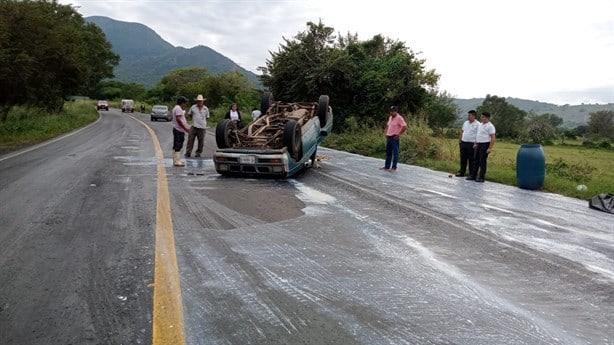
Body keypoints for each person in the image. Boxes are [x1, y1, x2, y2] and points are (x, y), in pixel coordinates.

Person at [467, 111, 496, 182]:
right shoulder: (480, 125)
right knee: (475, 160)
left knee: (482, 161)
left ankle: (481, 177)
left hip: (485, 144)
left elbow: (493, 137)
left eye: (483, 117)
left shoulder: (490, 126)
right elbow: (478, 134)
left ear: (487, 118)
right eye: (481, 117)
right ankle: (473, 175)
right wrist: (475, 143)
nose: (481, 118)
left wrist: (490, 148)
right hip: (478, 144)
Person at [380, 106, 408, 172]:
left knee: (395, 153)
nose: (391, 112)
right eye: (390, 111)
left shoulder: (399, 118)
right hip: (389, 136)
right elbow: (388, 125)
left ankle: (394, 167)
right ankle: (387, 166)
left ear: (396, 111)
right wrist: (386, 132)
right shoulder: (390, 118)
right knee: (388, 152)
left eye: (392, 111)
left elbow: (404, 126)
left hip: (394, 137)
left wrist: (399, 134)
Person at [456, 110, 480, 177]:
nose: (468, 117)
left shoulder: (478, 124)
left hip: (472, 143)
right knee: (463, 158)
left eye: (469, 115)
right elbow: (462, 131)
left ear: (474, 116)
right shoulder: (465, 123)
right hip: (464, 142)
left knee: (471, 159)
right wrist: (460, 140)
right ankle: (462, 172)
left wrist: (476, 143)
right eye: (468, 115)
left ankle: (471, 173)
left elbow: (478, 134)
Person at [171, 96, 190, 167]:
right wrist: (185, 128)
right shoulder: (178, 109)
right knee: (179, 144)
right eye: (184, 103)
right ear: (182, 103)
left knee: (176, 144)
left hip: (177, 129)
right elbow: (179, 119)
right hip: (179, 129)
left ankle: (175, 159)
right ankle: (177, 161)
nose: (185, 105)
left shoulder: (176, 108)